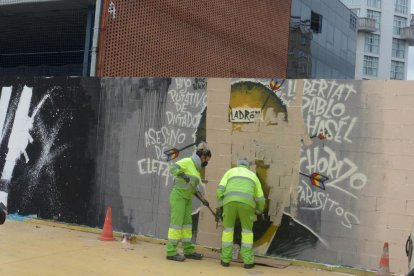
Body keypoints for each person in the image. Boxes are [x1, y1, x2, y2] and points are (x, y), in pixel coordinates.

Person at [166, 142, 212, 262]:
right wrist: (181, 174)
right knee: (176, 224)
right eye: (207, 159)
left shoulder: (196, 170)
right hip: (178, 196)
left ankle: (188, 250)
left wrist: (203, 200)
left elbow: (193, 188)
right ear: (202, 156)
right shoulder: (188, 161)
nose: (206, 162)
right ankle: (171, 252)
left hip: (187, 198)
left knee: (187, 225)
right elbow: (173, 168)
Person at [216, 158, 265, 269]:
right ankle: (247, 262)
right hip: (247, 205)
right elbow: (260, 198)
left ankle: (225, 260)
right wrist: (258, 211)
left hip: (229, 203)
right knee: (247, 232)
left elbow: (220, 189)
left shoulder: (230, 172)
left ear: (238, 165)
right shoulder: (253, 175)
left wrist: (221, 205)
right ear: (247, 166)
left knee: (228, 230)